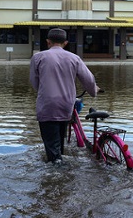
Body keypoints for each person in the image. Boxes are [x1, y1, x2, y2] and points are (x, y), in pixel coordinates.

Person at [30, 28, 99, 164]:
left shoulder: (38, 57)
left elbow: (34, 82)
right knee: (60, 140)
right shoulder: (74, 58)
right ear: (65, 42)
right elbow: (89, 80)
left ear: (48, 42)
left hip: (47, 105)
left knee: (51, 146)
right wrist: (93, 92)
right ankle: (61, 165)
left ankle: (56, 170)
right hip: (67, 105)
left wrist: (45, 91)